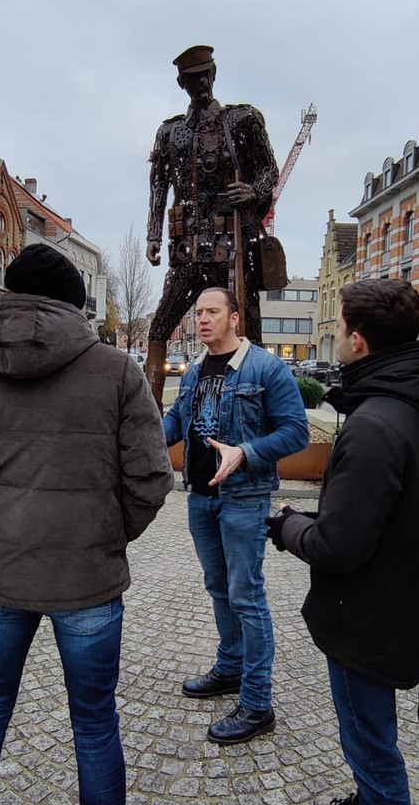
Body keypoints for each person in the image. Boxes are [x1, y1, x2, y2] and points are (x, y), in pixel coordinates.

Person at [0, 243, 174, 805]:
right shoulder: (117, 370)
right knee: (94, 723)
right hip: (87, 576)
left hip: (2, 573)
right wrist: (106, 533)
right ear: (76, 305)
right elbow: (151, 478)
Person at [265, 279, 419, 805]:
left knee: (372, 747)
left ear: (359, 341)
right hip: (395, 602)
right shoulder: (411, 404)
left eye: (341, 326)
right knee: (374, 737)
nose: (339, 335)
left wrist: (285, 526)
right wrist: (314, 517)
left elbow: (338, 547)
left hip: (365, 617)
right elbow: (373, 513)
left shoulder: (374, 423)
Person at [163, 286, 308, 745]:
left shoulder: (265, 367)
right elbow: (176, 422)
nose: (203, 319)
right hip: (201, 498)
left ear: (234, 318)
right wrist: (132, 437)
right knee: (219, 589)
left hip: (244, 498)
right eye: (199, 312)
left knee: (247, 596)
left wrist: (245, 452)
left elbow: (296, 432)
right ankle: (229, 669)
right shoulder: (193, 371)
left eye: (212, 312)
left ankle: (258, 702)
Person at [144, 44, 279, 410]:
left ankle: (254, 409)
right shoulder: (170, 133)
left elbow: (269, 170)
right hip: (187, 249)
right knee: (159, 328)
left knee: (248, 329)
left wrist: (254, 190)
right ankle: (146, 417)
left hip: (233, 242)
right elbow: (159, 186)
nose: (201, 85)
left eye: (205, 77)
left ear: (214, 75)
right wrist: (153, 235)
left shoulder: (241, 120)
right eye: (192, 80)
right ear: (181, 83)